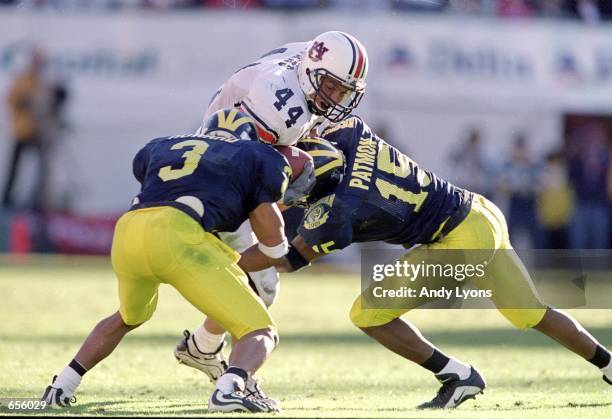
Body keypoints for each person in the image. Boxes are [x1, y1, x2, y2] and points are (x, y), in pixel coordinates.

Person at [238, 116, 612, 409]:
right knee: (530, 311)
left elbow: (286, 258)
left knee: (367, 314)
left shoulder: (337, 213)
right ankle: (609, 365)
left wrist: (227, 262)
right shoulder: (350, 135)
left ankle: (456, 375)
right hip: (479, 211)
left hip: (458, 239)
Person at [41, 109, 301, 413]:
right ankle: (229, 389)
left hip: (128, 232)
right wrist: (275, 250)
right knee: (260, 330)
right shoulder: (253, 156)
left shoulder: (161, 146)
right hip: (179, 236)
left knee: (127, 317)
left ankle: (62, 386)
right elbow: (272, 244)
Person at [175, 31, 369, 392]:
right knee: (263, 281)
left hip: (226, 150)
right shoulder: (283, 110)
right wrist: (297, 181)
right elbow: (247, 174)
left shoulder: (303, 60)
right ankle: (215, 360)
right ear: (313, 70)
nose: (336, 98)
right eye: (331, 87)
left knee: (259, 278)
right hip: (220, 174)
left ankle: (202, 347)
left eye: (344, 92)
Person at [3, 49, 53, 210]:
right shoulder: (23, 80)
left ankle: (36, 198)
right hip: (23, 131)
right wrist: (24, 101)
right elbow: (11, 99)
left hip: (36, 131)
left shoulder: (41, 81)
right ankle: (7, 198)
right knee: (15, 167)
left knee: (41, 167)